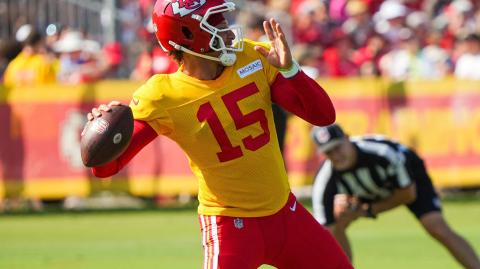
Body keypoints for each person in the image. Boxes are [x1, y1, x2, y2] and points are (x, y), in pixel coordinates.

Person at [85, 1, 352, 268]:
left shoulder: (252, 55)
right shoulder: (162, 95)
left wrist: (291, 70)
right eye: (213, 20)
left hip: (285, 214)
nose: (225, 25)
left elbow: (323, 116)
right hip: (230, 226)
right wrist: (100, 131)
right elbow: (105, 167)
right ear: (186, 34)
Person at [311, 124, 480, 269]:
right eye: (329, 152)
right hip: (363, 194)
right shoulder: (324, 180)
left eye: (338, 147)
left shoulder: (383, 153)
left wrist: (367, 210)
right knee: (334, 225)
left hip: (407, 181)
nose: (336, 156)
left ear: (347, 138)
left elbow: (408, 194)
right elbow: (324, 230)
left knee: (436, 226)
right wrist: (347, 213)